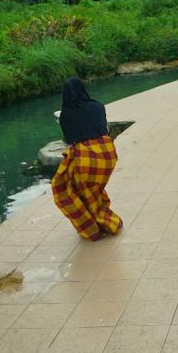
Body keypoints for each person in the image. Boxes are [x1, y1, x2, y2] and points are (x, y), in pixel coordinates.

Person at [52, 78, 123, 241]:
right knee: (96, 191)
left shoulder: (66, 115)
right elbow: (103, 129)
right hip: (107, 154)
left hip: (85, 160)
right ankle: (104, 220)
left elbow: (70, 140)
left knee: (68, 190)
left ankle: (94, 228)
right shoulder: (98, 106)